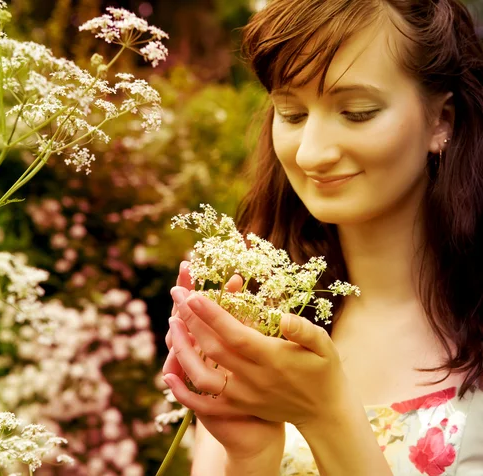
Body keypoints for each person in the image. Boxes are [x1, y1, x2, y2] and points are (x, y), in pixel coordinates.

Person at [162, 0, 483, 474]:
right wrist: (249, 454)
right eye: (291, 114)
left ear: (443, 121)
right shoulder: (263, 320)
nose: (312, 154)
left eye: (356, 112)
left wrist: (328, 416)